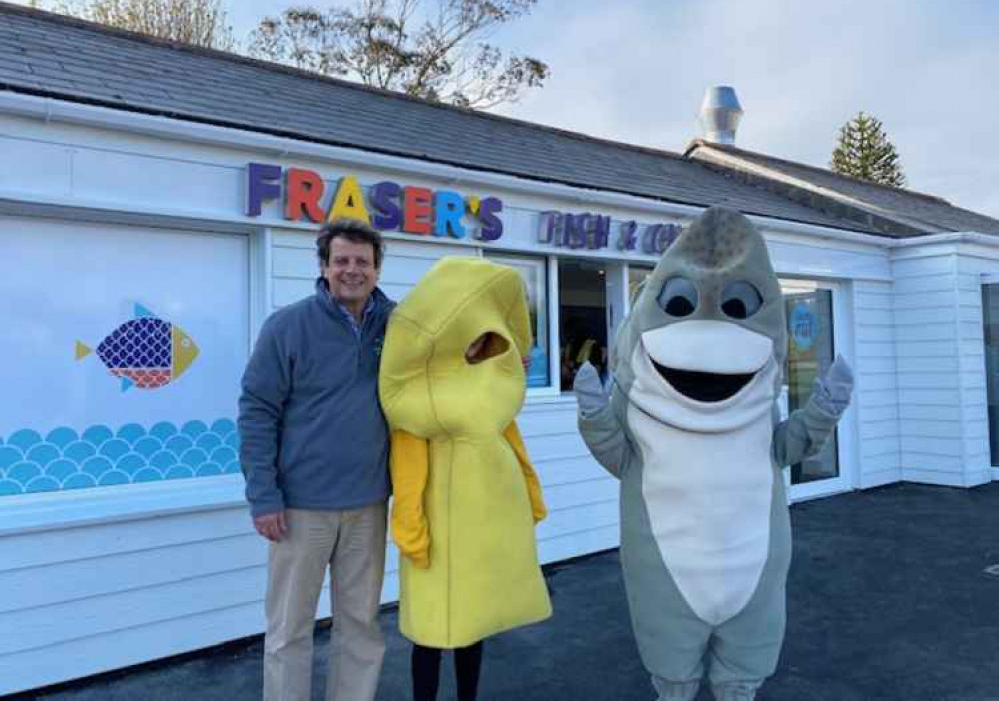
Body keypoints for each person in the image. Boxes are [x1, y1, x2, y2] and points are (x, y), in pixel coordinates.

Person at [573, 207, 853, 701]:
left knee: (741, 678)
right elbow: (617, 454)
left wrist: (823, 411)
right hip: (665, 575)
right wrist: (595, 416)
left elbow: (789, 445)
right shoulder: (641, 413)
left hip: (752, 569)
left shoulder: (755, 411)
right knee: (673, 679)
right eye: (679, 304)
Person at [378, 257, 552, 701]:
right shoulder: (421, 396)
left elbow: (514, 448)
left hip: (477, 532)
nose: (477, 349)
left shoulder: (488, 392)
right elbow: (409, 469)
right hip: (436, 538)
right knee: (430, 636)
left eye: (484, 342)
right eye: (472, 340)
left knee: (472, 630)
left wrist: (531, 500)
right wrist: (412, 533)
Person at [238, 218, 394, 701]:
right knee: (289, 630)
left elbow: (452, 352)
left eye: (362, 262)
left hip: (368, 504)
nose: (352, 270)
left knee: (360, 626)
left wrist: (498, 353)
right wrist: (264, 496)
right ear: (324, 267)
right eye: (341, 260)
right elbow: (257, 411)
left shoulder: (398, 326)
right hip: (299, 508)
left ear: (376, 268)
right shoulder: (287, 326)